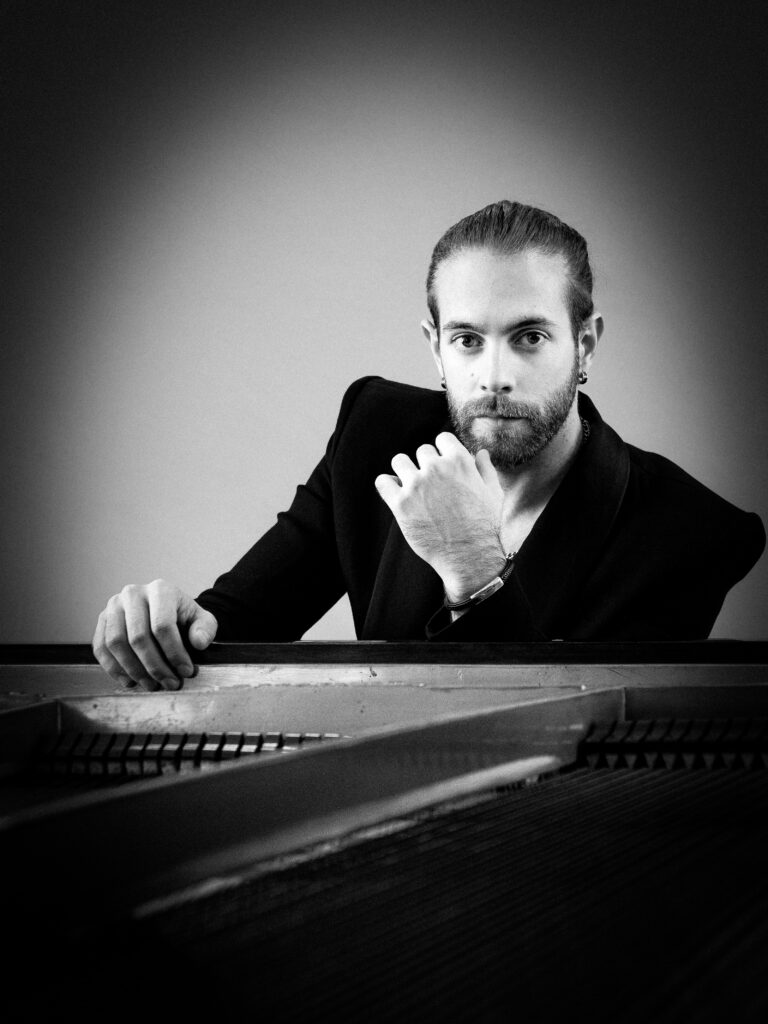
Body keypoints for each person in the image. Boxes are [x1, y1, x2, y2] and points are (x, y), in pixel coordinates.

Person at [92, 200, 765, 690]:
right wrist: (167, 625)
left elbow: (578, 751)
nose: (495, 376)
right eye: (467, 340)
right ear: (436, 349)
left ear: (584, 344)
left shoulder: (691, 534)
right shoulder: (374, 434)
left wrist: (476, 570)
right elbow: (237, 624)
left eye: (530, 337)